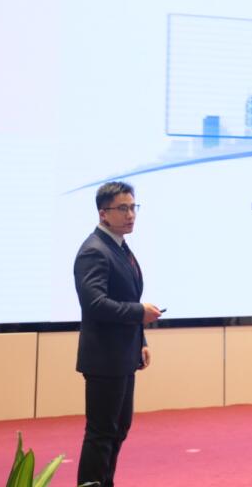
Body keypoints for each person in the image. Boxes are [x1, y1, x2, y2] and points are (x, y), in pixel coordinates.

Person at [75, 181, 161, 486]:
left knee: (118, 430)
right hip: (104, 358)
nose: (130, 214)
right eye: (122, 208)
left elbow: (126, 296)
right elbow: (95, 304)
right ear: (103, 214)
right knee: (101, 434)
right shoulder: (94, 251)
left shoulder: (119, 247)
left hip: (123, 355)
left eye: (133, 207)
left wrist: (141, 340)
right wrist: (139, 314)